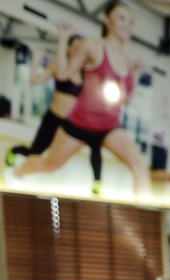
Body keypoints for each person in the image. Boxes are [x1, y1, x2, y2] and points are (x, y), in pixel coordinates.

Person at [13, 0, 148, 197]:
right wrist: (63, 38)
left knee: (139, 165)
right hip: (80, 123)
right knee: (50, 164)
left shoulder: (128, 59)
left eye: (131, 21)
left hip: (110, 126)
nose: (127, 25)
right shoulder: (93, 46)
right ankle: (17, 173)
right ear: (107, 20)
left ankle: (143, 215)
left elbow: (126, 100)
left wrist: (136, 73)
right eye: (121, 18)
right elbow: (62, 75)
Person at [10, 34, 90, 172]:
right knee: (35, 152)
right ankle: (14, 153)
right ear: (68, 48)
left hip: (68, 124)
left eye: (81, 47)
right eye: (75, 46)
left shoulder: (85, 73)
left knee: (55, 157)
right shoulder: (57, 66)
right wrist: (36, 60)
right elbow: (34, 81)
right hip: (53, 119)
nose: (78, 50)